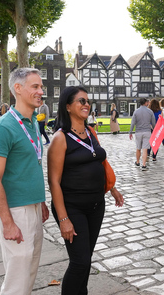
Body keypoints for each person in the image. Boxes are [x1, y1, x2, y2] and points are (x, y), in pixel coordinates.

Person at [47, 86, 124, 295]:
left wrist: (112, 188)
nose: (86, 104)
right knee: (80, 262)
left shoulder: (90, 132)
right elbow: (54, 182)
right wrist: (64, 219)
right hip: (72, 208)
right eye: (81, 101)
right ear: (68, 106)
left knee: (86, 259)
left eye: (87, 101)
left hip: (96, 206)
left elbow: (99, 162)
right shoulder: (60, 138)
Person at [0, 68, 49, 295]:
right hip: (15, 211)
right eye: (35, 87)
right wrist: (7, 222)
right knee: (17, 279)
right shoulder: (4, 127)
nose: (40, 91)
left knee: (28, 273)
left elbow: (29, 166)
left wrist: (40, 201)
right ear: (18, 89)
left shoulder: (32, 122)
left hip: (32, 207)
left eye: (41, 87)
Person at [129, 98, 156, 171]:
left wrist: (130, 132)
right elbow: (153, 123)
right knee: (145, 149)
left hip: (138, 132)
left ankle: (137, 162)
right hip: (147, 132)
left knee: (138, 148)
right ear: (146, 103)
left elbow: (133, 123)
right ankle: (144, 164)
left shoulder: (136, 111)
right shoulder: (150, 112)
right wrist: (155, 130)